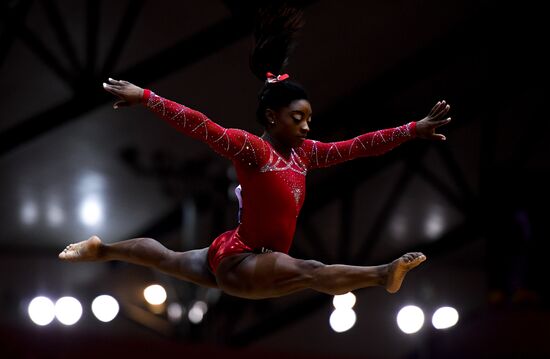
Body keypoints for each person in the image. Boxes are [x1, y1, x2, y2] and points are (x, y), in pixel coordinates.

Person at [59, 5, 451, 300]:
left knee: (165, 258)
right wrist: (147, 97)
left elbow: (360, 146)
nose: (307, 126)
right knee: (311, 270)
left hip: (238, 252)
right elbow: (200, 125)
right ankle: (383, 274)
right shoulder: (253, 150)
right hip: (241, 260)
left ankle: (102, 248)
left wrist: (412, 129)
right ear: (271, 116)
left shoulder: (305, 155)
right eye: (298, 119)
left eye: (309, 118)